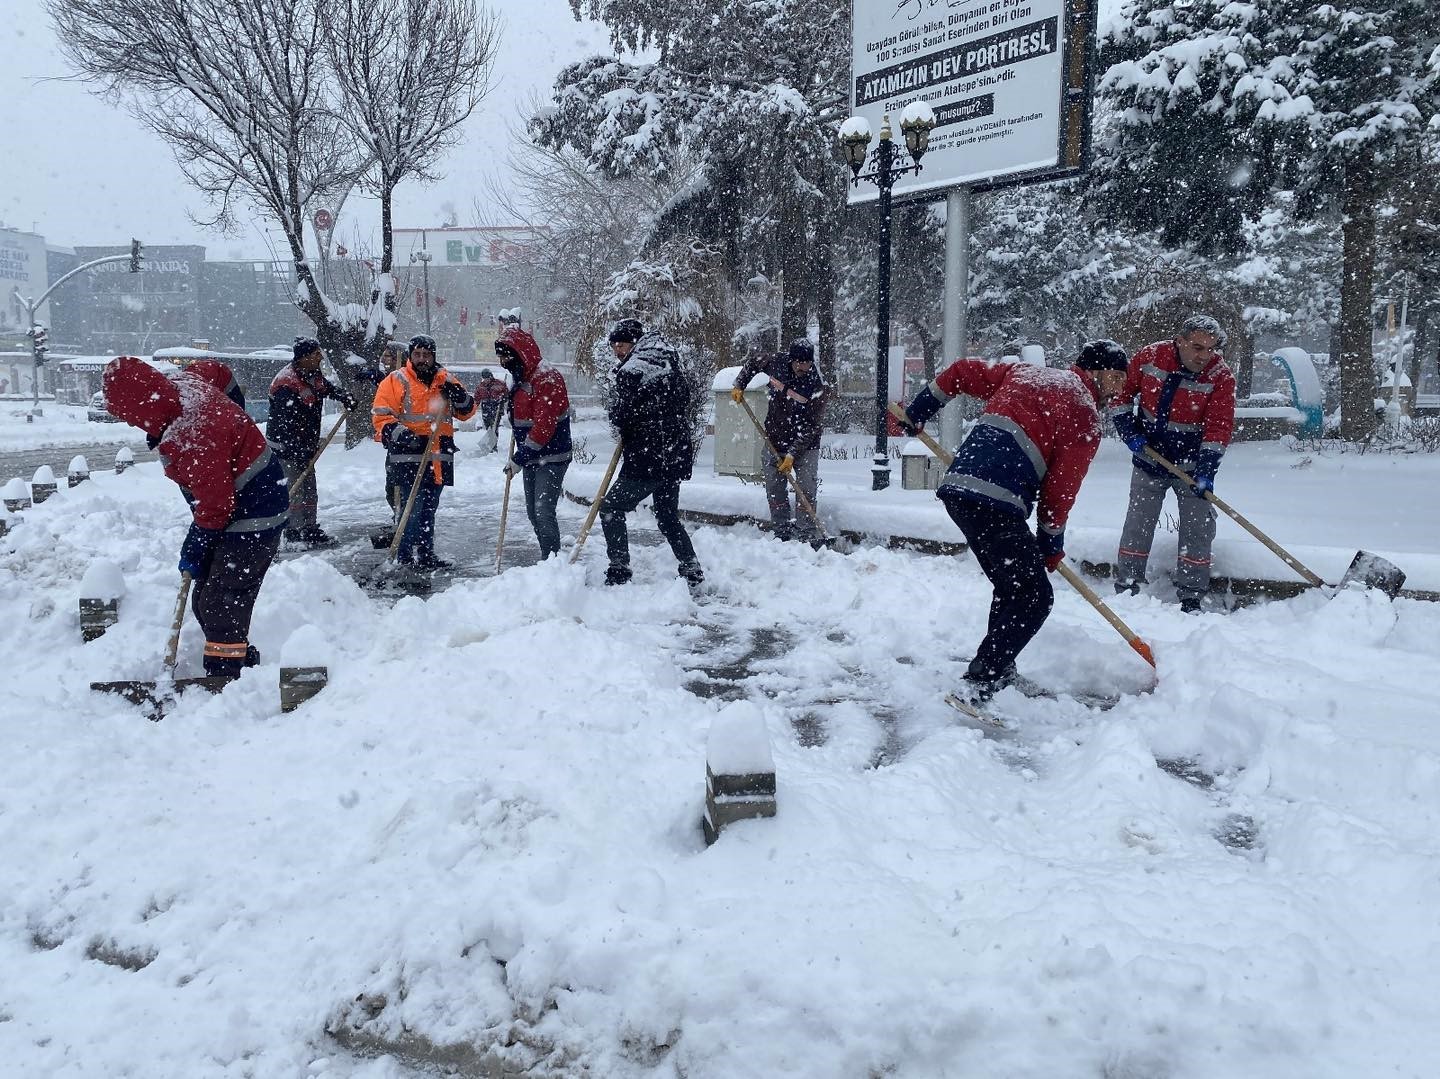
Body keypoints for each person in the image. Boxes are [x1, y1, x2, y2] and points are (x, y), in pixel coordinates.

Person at [897, 340, 1131, 703]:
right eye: (1115, 378)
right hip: (997, 501)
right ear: (1094, 371)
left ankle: (999, 668)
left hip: (961, 489)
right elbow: (1060, 491)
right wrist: (1050, 541)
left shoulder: (1025, 373)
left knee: (1012, 587)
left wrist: (920, 408)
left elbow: (961, 372)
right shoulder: (1084, 415)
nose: (1117, 389)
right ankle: (981, 680)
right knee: (1035, 598)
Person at [102, 355, 289, 679]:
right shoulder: (182, 385)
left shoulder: (194, 436)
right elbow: (217, 370)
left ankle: (225, 676)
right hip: (235, 506)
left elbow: (217, 505)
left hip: (256, 511)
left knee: (220, 602)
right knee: (204, 597)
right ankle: (239, 658)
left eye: (129, 416)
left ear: (142, 408)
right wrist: (233, 419)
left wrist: (197, 543)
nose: (131, 424)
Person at [1109, 314, 1236, 613]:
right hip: (1149, 458)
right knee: (1138, 524)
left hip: (1191, 467)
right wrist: (1129, 431)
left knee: (1198, 528)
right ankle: (1127, 587)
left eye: (1210, 349)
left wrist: (1206, 470)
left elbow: (1219, 427)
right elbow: (1120, 394)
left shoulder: (1220, 376)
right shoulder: (1150, 357)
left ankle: (1191, 596)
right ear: (1179, 341)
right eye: (1197, 347)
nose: (1203, 356)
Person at [599, 318, 703, 588]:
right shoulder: (669, 363)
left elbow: (626, 416)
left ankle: (619, 567)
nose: (617, 350)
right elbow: (682, 401)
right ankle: (691, 566)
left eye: (622, 344)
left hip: (647, 457)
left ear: (634, 343)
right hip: (675, 454)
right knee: (667, 516)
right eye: (614, 345)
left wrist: (618, 414)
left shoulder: (631, 370)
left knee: (611, 507)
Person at [371, 334, 476, 568]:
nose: (421, 359)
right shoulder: (396, 379)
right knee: (411, 510)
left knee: (429, 510)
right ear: (410, 356)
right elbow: (381, 417)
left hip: (438, 457)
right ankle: (405, 559)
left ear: (433, 356)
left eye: (426, 354)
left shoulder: (445, 379)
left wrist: (460, 397)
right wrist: (405, 436)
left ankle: (426, 555)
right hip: (408, 457)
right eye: (417, 354)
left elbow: (467, 412)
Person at [730, 337, 829, 545]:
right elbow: (754, 362)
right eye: (799, 362)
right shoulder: (776, 363)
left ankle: (806, 535)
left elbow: (812, 426)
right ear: (791, 359)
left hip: (806, 445)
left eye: (807, 363)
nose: (802, 367)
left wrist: (792, 454)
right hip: (774, 438)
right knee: (775, 489)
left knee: (806, 490)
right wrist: (740, 384)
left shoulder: (815, 387)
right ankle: (781, 531)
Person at [268, 337, 357, 548]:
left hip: (305, 444)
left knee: (309, 489)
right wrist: (296, 450)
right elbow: (284, 424)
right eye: (316, 354)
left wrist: (345, 397)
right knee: (294, 489)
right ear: (303, 357)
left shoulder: (313, 375)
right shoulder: (286, 384)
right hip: (285, 448)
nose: (320, 357)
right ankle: (292, 531)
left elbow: (327, 389)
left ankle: (309, 528)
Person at [493, 327, 572, 559]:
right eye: (500, 357)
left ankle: (552, 560)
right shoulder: (521, 377)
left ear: (520, 354)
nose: (503, 363)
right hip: (531, 455)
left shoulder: (547, 379)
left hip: (552, 455)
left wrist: (520, 457)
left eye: (506, 356)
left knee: (543, 511)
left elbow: (544, 427)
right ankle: (548, 557)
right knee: (532, 512)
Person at [475, 368, 509, 433]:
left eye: (487, 378)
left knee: (495, 425)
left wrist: (503, 398)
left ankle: (494, 436)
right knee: (488, 426)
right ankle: (490, 436)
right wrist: (473, 407)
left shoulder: (500, 384)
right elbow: (477, 398)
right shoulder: (480, 386)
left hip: (497, 407)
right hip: (485, 408)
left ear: (491, 376)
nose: (486, 380)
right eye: (485, 379)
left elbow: (506, 394)